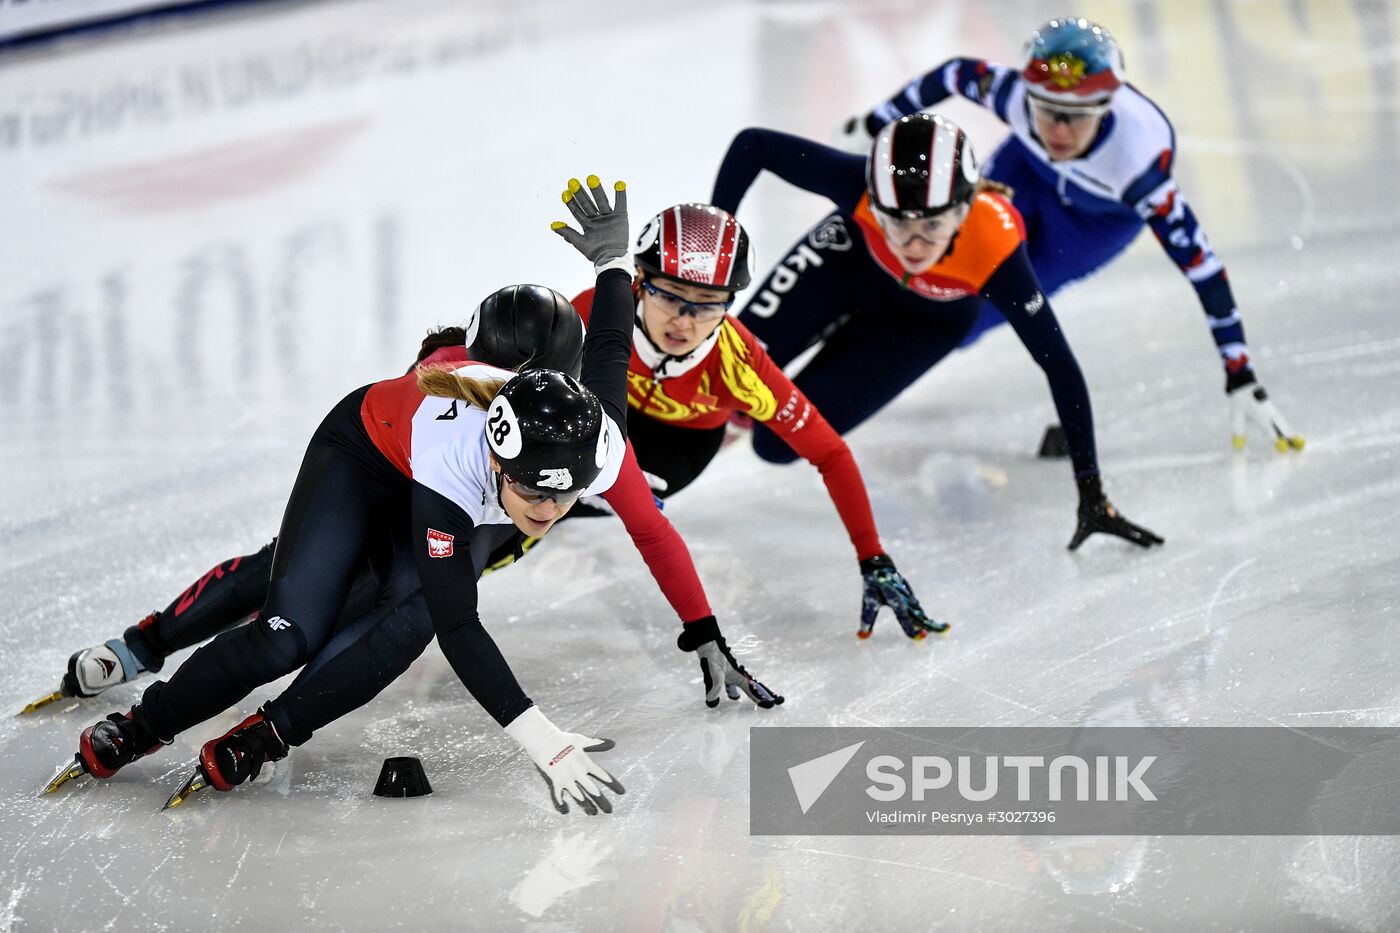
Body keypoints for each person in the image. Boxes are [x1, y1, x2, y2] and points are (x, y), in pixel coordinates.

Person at [46, 175, 639, 816]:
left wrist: (613, 264)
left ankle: (270, 732)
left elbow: (610, 350)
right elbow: (461, 625)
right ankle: (143, 716)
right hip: (368, 458)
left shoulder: (585, 434)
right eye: (534, 491)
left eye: (565, 493)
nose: (551, 510)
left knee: (408, 617)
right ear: (497, 440)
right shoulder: (454, 430)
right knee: (290, 631)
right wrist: (542, 742)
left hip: (455, 475)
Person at [26, 285, 781, 719]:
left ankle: (252, 710)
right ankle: (143, 645)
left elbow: (646, 512)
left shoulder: (582, 424)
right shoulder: (453, 379)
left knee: (371, 603)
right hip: (403, 475)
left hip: (484, 516)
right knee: (296, 576)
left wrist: (702, 626)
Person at [833, 16, 1302, 453]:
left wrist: (1240, 374)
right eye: (1047, 109)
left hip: (1091, 224)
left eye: (1076, 114)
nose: (1058, 129)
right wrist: (873, 122)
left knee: (972, 309)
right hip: (1027, 172)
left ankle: (843, 379)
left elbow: (1204, 269)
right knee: (934, 257)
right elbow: (953, 74)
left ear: (1106, 106)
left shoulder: (1138, 165)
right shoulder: (1015, 97)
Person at [710, 112, 1161, 551]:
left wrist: (1092, 493)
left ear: (965, 210)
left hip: (920, 326)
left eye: (932, 226)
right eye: (898, 223)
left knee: (774, 442)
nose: (914, 245)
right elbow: (755, 145)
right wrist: (717, 243)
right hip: (846, 265)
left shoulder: (995, 249)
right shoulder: (857, 186)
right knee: (719, 375)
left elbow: (1060, 366)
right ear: (875, 201)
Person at [570, 201, 943, 641]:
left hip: (677, 445)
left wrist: (872, 556)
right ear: (639, 281)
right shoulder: (595, 309)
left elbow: (830, 453)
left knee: (573, 498)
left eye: (708, 305)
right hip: (606, 406)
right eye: (670, 295)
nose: (684, 322)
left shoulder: (741, 367)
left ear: (729, 304)